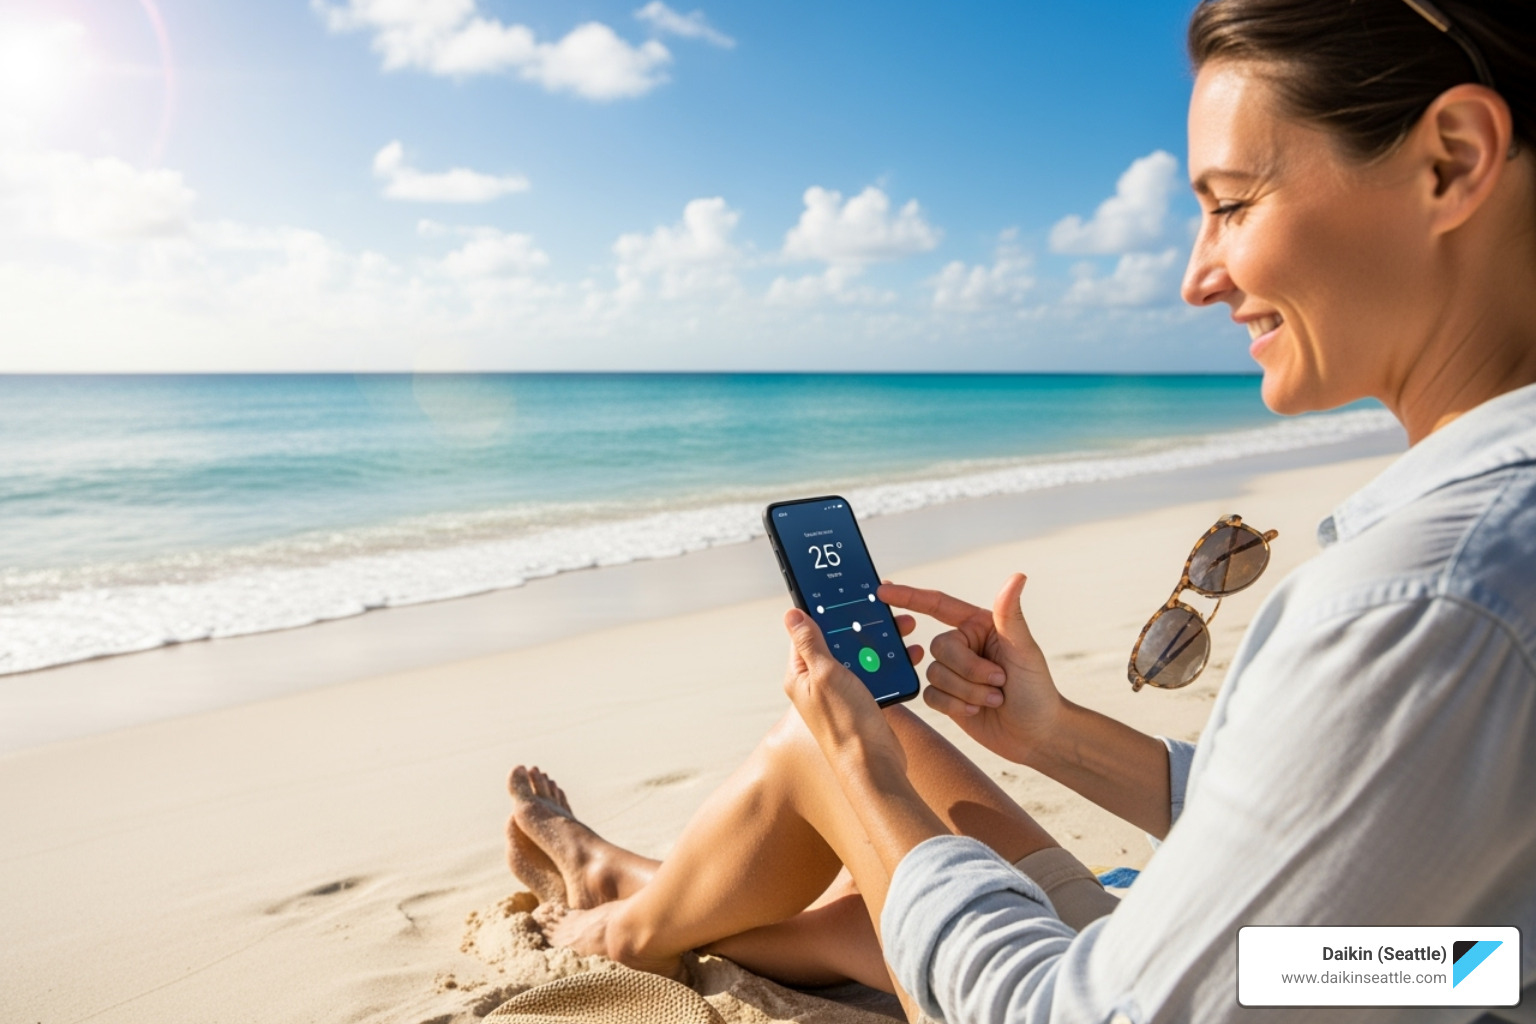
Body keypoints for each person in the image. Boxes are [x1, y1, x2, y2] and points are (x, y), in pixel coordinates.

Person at [503, 0, 1536, 1019]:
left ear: (1448, 161)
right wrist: (1051, 737)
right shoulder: (1486, 550)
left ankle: (624, 920)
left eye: (1231, 203)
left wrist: (875, 789)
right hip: (1435, 969)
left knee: (840, 751)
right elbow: (1452, 923)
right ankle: (639, 887)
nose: (1196, 276)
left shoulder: (1430, 598)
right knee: (880, 821)